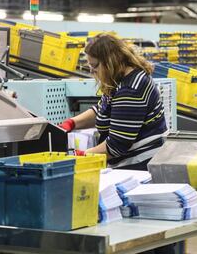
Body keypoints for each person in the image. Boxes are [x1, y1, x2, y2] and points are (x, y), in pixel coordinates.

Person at [60, 33, 167, 169]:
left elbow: (116, 146)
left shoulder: (130, 90)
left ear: (110, 62)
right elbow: (103, 109)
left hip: (137, 166)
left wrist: (79, 156)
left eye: (95, 66)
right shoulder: (120, 80)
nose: (92, 72)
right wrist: (71, 123)